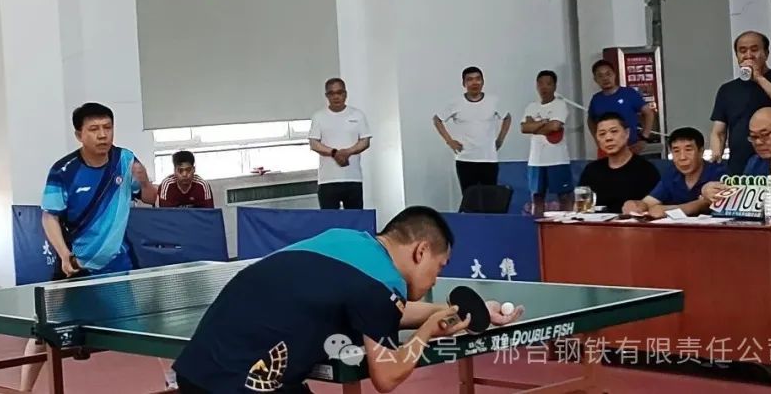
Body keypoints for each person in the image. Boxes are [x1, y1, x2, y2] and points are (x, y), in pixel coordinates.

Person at [172, 206, 524, 393]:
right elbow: (387, 377)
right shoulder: (382, 282)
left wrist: (456, 312)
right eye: (439, 266)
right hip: (244, 382)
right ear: (420, 251)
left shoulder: (347, 241)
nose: (435, 279)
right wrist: (427, 332)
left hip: (197, 368)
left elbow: (379, 310)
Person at [19, 102, 158, 391]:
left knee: (155, 325)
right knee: (42, 332)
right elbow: (49, 216)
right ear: (79, 135)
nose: (103, 134)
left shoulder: (125, 159)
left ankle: (173, 382)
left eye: (108, 127)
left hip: (118, 262)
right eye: (94, 129)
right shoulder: (63, 171)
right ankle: (25, 390)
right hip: (76, 264)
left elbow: (148, 197)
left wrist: (145, 181)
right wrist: (64, 254)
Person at [710, 31, 771, 176]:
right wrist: (717, 158)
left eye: (754, 50)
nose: (748, 55)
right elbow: (719, 132)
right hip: (739, 169)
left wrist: (759, 78)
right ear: (737, 56)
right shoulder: (727, 90)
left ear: (766, 53)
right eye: (742, 51)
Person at [433, 66, 512, 191]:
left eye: (478, 79)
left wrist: (500, 140)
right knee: (469, 197)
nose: (474, 83)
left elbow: (507, 118)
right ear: (464, 83)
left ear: (483, 82)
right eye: (470, 79)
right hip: (465, 159)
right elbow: (437, 119)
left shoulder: (493, 101)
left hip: (488, 159)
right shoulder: (456, 103)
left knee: (490, 196)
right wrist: (450, 141)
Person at [622, 127, 725, 219]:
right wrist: (636, 205)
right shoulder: (672, 174)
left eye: (688, 150)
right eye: (676, 151)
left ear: (701, 151)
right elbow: (648, 203)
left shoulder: (718, 173)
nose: (682, 157)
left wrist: (667, 210)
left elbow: (707, 204)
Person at [308, 78, 372, 209]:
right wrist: (334, 153)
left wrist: (347, 152)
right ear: (326, 96)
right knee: (330, 219)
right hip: (327, 180)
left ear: (345, 94)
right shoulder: (319, 116)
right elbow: (314, 143)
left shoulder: (357, 115)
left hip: (353, 178)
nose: (336, 97)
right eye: (331, 93)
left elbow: (365, 141)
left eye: (339, 92)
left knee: (354, 218)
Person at [578, 112, 661, 213]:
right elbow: (581, 208)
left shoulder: (646, 170)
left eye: (614, 131)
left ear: (627, 133)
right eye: (602, 134)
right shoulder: (591, 170)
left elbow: (656, 207)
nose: (608, 138)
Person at [520, 70, 574, 214]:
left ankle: (567, 224)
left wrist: (535, 127)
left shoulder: (560, 105)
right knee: (537, 197)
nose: (544, 87)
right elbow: (524, 128)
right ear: (537, 86)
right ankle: (537, 224)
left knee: (564, 197)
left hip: (558, 159)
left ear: (555, 86)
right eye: (541, 84)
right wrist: (543, 123)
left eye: (548, 83)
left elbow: (555, 126)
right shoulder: (531, 106)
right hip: (536, 161)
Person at [587, 59, 655, 155]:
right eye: (600, 76)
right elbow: (590, 120)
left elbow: (649, 113)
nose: (605, 78)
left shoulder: (628, 93)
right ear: (595, 79)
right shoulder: (596, 99)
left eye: (608, 74)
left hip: (631, 147)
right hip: (606, 150)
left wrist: (644, 137)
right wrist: (597, 140)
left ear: (614, 74)